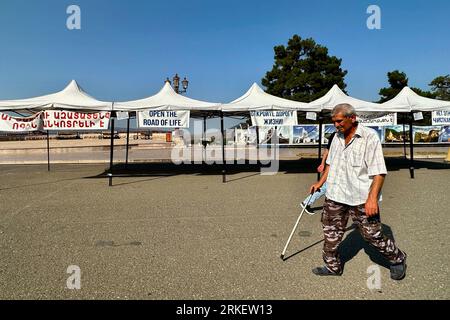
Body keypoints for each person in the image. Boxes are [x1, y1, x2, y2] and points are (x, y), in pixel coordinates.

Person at [309, 103, 407, 280]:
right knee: (331, 233)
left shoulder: (369, 137)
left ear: (352, 118)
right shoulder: (337, 137)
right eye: (334, 122)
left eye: (339, 121)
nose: (336, 125)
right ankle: (332, 266)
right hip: (336, 194)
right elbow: (330, 163)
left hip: (361, 197)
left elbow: (379, 172)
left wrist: (372, 199)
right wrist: (320, 182)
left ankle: (397, 259)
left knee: (372, 235)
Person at [300, 131, 336, 215]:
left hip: (336, 165)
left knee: (328, 186)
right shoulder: (335, 135)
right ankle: (306, 203)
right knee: (325, 186)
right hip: (332, 165)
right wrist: (323, 163)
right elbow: (327, 150)